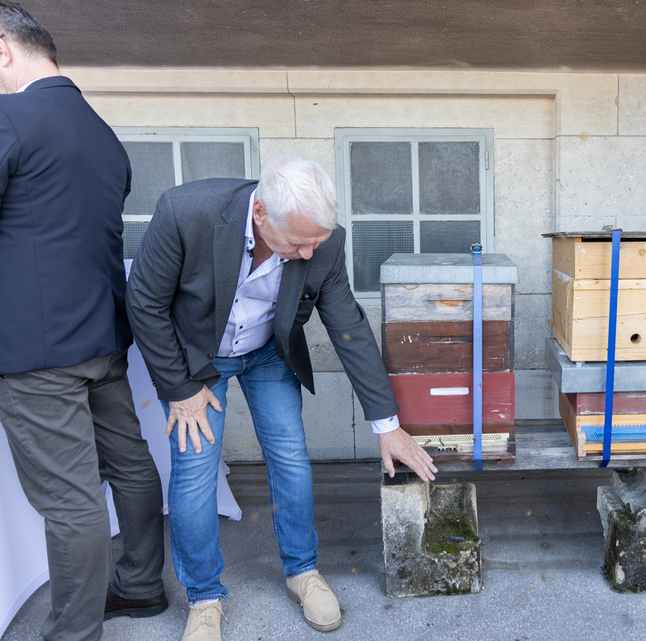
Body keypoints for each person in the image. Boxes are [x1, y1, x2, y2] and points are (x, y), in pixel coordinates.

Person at [126, 157, 436, 640]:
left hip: (269, 352)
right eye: (297, 243)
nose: (310, 253)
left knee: (290, 456)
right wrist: (180, 391)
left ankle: (302, 571)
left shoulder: (323, 241)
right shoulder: (185, 212)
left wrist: (387, 424)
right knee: (195, 470)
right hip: (196, 358)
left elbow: (349, 328)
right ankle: (204, 597)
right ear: (260, 214)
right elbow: (144, 302)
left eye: (317, 242)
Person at [0, 0, 167, 641]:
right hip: (102, 339)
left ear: (3, 49)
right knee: (130, 465)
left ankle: (73, 633)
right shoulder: (101, 133)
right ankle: (143, 584)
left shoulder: (11, 118)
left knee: (70, 502)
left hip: (35, 353)